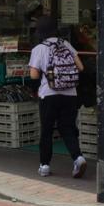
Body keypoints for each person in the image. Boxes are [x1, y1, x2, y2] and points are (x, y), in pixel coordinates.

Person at [28, 15, 87, 178]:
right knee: (68, 128)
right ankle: (78, 157)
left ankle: (45, 165)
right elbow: (80, 67)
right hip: (70, 93)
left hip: (49, 94)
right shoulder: (66, 44)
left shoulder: (39, 48)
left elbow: (33, 75)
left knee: (47, 130)